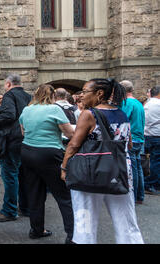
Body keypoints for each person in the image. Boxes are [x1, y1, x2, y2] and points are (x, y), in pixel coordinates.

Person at [61, 78, 144, 244]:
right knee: (126, 221)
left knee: (85, 219)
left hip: (91, 171)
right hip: (119, 171)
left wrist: (64, 167)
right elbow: (129, 143)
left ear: (99, 94)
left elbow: (74, 144)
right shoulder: (121, 113)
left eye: (85, 92)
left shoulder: (89, 114)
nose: (81, 96)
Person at [19, 84, 75, 243]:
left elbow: (23, 132)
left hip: (28, 152)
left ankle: (36, 230)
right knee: (63, 196)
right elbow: (70, 133)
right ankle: (72, 235)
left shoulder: (26, 110)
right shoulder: (55, 109)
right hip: (49, 154)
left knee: (35, 193)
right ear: (52, 96)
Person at [0, 73, 31, 222]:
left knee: (10, 176)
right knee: (23, 175)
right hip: (25, 140)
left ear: (8, 84)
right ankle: (26, 208)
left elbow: (9, 114)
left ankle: (9, 210)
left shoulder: (9, 95)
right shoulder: (28, 97)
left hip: (11, 141)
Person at [120, 80, 146, 204]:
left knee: (132, 168)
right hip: (139, 137)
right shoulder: (138, 103)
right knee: (138, 167)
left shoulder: (127, 103)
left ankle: (134, 196)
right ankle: (140, 196)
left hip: (132, 138)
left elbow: (122, 119)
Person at [144, 86, 160, 195]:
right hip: (157, 135)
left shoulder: (147, 104)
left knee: (148, 160)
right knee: (156, 161)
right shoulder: (158, 104)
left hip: (147, 134)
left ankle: (150, 182)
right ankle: (151, 183)